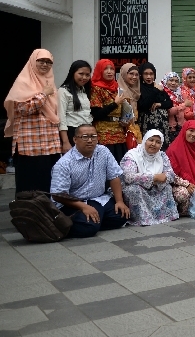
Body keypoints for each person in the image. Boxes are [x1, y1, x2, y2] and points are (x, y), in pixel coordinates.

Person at [50, 124, 131, 238]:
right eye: (85, 137)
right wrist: (83, 207)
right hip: (73, 202)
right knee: (88, 228)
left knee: (122, 216)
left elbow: (114, 176)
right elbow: (57, 195)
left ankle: (94, 220)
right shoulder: (64, 163)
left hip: (98, 199)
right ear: (75, 139)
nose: (90, 140)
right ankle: (63, 223)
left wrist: (119, 201)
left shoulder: (103, 151)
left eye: (93, 136)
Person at [4, 49, 61, 193]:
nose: (45, 64)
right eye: (41, 61)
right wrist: (43, 95)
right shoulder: (24, 82)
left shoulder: (50, 82)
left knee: (47, 183)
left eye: (48, 62)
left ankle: (45, 213)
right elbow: (23, 108)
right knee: (29, 184)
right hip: (29, 144)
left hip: (49, 143)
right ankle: (28, 214)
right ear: (32, 61)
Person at [120, 129, 180, 226]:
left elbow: (171, 174)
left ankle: (165, 216)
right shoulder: (132, 155)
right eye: (151, 140)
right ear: (144, 140)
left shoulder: (162, 155)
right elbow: (128, 176)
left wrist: (164, 177)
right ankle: (142, 219)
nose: (153, 144)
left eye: (158, 142)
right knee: (134, 190)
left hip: (155, 187)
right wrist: (154, 177)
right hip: (138, 188)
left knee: (167, 187)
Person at [89, 60, 130, 163]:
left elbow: (123, 110)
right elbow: (96, 114)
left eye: (111, 69)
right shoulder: (95, 88)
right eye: (105, 69)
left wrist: (125, 120)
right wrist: (115, 104)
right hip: (104, 134)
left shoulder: (117, 88)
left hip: (119, 132)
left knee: (120, 163)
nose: (109, 71)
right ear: (100, 71)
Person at [57, 60, 92, 153]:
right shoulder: (63, 91)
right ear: (73, 73)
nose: (84, 77)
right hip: (72, 132)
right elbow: (61, 118)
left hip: (86, 132)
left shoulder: (84, 90)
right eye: (81, 74)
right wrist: (65, 142)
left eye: (87, 75)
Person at [137, 63, 173, 147]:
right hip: (148, 125)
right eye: (146, 74)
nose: (149, 77)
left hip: (162, 126)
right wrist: (155, 90)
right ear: (141, 74)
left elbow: (170, 103)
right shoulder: (139, 88)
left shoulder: (157, 86)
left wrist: (159, 104)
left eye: (151, 74)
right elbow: (144, 104)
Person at [161, 72, 188, 144]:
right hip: (171, 129)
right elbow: (169, 111)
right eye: (171, 80)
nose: (173, 83)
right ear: (165, 81)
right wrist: (184, 105)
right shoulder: (162, 93)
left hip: (180, 127)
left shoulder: (178, 94)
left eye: (176, 81)